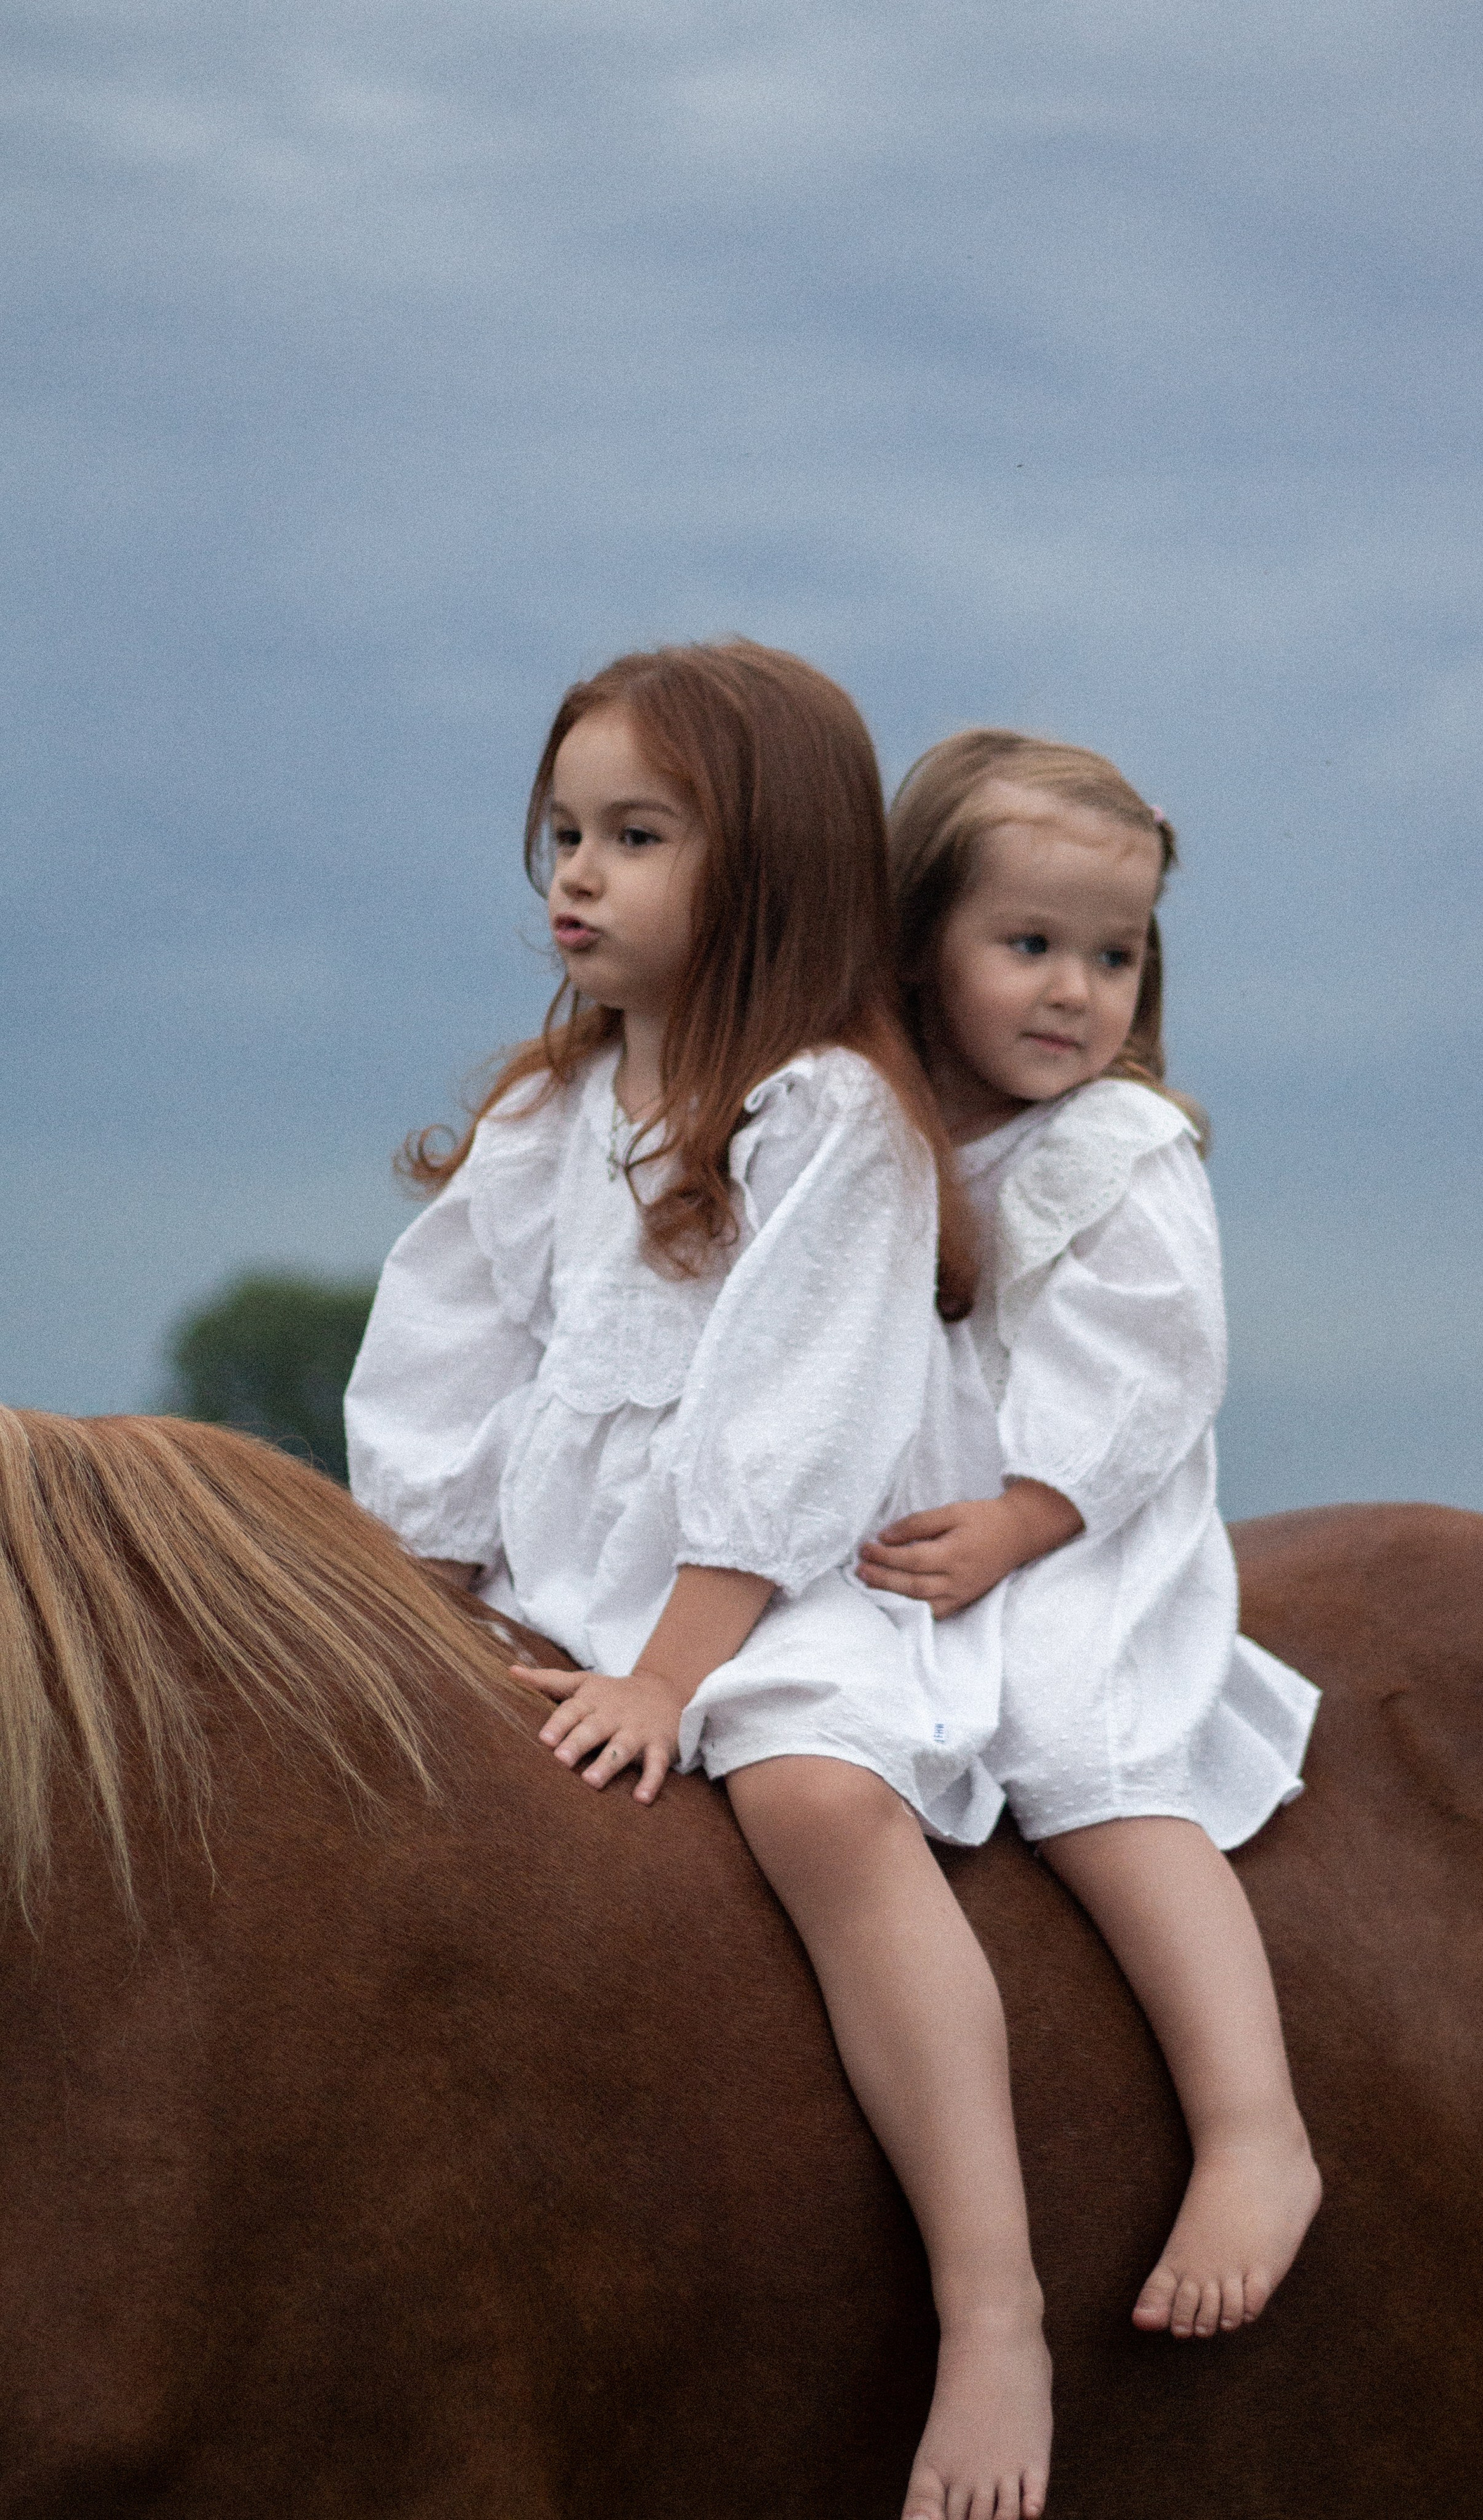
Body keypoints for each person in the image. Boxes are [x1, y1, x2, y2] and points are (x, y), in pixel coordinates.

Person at [345, 646, 1049, 2520]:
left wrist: (671, 1676)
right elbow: (438, 1362)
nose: (574, 874)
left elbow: (793, 1431)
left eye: (637, 836)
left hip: (788, 1591)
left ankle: (993, 2304)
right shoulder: (547, 1115)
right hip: (558, 1593)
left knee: (820, 1800)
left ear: (777, 867)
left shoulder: (825, 1118)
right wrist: (415, 1608)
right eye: (562, 833)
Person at [860, 728, 1324, 2345]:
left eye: (1112, 954)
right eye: (1029, 944)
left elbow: (1151, 1376)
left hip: (1081, 1528)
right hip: (944, 1530)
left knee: (1077, 1740)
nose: (1074, 990)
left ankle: (1253, 2124)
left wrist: (1021, 1519)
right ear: (919, 945)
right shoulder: (891, 1130)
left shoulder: (1117, 1149)